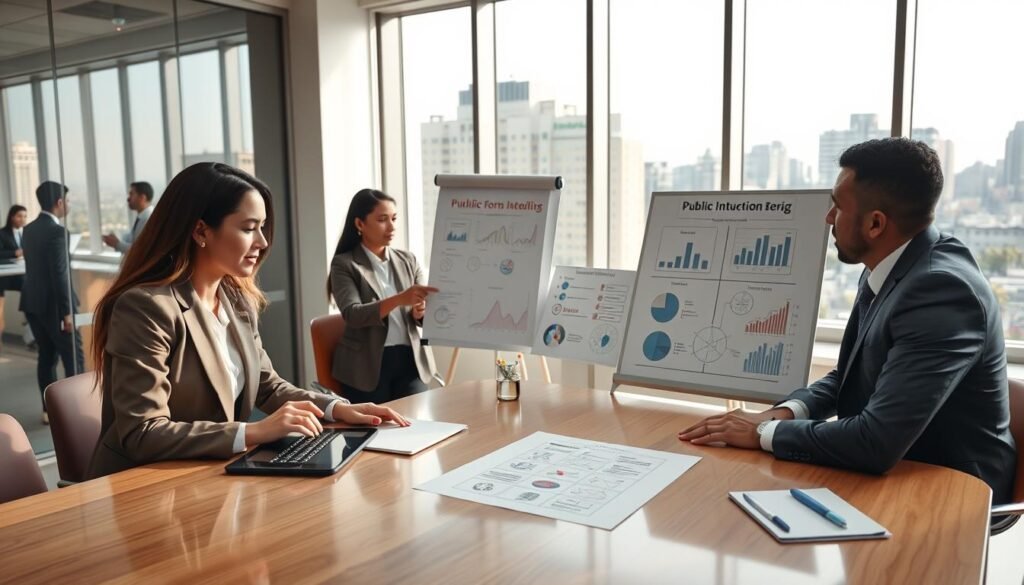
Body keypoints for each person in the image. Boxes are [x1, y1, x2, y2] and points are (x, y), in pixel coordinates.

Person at [679, 138, 1017, 504]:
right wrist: (782, 413)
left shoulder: (941, 290)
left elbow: (875, 442)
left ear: (875, 224)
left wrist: (763, 432)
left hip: (948, 487)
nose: (828, 218)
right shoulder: (892, 263)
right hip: (897, 465)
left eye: (837, 206)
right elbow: (851, 373)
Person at [86, 164, 409, 479]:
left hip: (208, 476)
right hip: (143, 486)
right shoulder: (147, 307)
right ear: (200, 231)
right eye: (247, 228)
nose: (263, 242)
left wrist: (336, 409)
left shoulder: (236, 299)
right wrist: (253, 431)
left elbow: (268, 386)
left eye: (262, 227)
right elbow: (143, 432)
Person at [328, 188, 439, 404]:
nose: (392, 227)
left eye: (394, 219)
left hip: (410, 361)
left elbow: (425, 318)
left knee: (418, 426)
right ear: (360, 224)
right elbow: (353, 314)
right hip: (366, 368)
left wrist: (421, 312)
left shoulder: (408, 260)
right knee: (377, 432)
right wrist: (399, 299)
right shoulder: (344, 264)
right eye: (382, 220)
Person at [20, 182, 84, 424]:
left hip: (32, 301)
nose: (67, 205)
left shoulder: (29, 229)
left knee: (46, 356)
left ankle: (49, 411)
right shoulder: (58, 232)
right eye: (67, 200)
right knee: (73, 358)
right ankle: (75, 411)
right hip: (55, 306)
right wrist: (68, 312)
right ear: (59, 203)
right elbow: (60, 274)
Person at [0, 205, 28, 352]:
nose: (22, 219)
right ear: (12, 217)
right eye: (19, 216)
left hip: (20, 275)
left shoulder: (28, 233)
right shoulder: (2, 233)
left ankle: (28, 319)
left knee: (30, 286)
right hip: (3, 276)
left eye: (25, 216)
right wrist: (15, 253)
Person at [102, 181, 154, 252]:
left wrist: (117, 244)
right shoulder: (142, 217)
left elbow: (141, 250)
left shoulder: (149, 219)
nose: (128, 199)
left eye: (131, 194)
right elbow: (133, 240)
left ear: (142, 198)